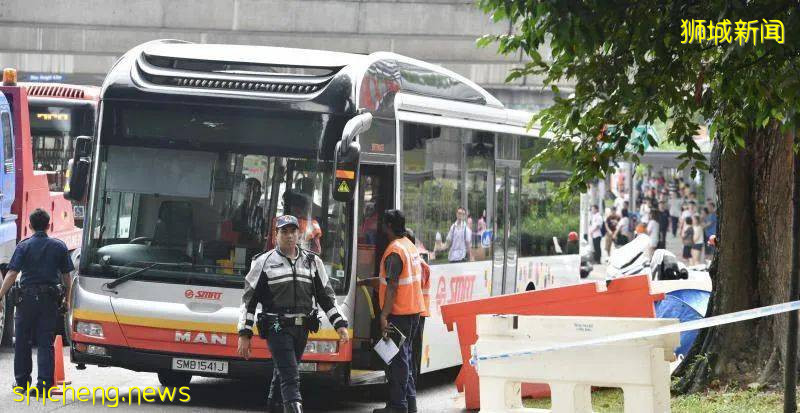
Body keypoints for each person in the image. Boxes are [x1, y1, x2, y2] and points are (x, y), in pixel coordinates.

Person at [237, 215, 350, 413]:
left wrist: (340, 325)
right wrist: (244, 334)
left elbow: (326, 297)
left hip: (302, 328)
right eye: (284, 232)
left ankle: (274, 407)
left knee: (282, 374)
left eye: (293, 231)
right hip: (276, 328)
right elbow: (249, 301)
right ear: (275, 235)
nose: (289, 236)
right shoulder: (263, 262)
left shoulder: (312, 261)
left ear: (299, 234)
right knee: (291, 376)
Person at [0, 209, 74, 394]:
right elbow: (67, 277)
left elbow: (12, 273)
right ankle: (44, 385)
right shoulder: (59, 246)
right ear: (48, 226)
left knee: (22, 341)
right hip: (49, 300)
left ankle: (22, 383)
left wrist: (0, 295)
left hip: (26, 301)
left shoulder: (23, 246)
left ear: (30, 226)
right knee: (45, 341)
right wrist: (68, 300)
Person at [358, 210, 425, 413]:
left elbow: (393, 286)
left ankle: (398, 406)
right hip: (413, 312)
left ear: (387, 225)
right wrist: (364, 282)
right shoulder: (409, 246)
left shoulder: (395, 251)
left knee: (397, 361)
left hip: (399, 314)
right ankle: (408, 403)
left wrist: (384, 315)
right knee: (403, 359)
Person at [231, 177, 266, 245]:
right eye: (252, 191)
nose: (258, 194)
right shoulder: (237, 211)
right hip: (240, 247)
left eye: (258, 191)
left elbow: (263, 232)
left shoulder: (261, 212)